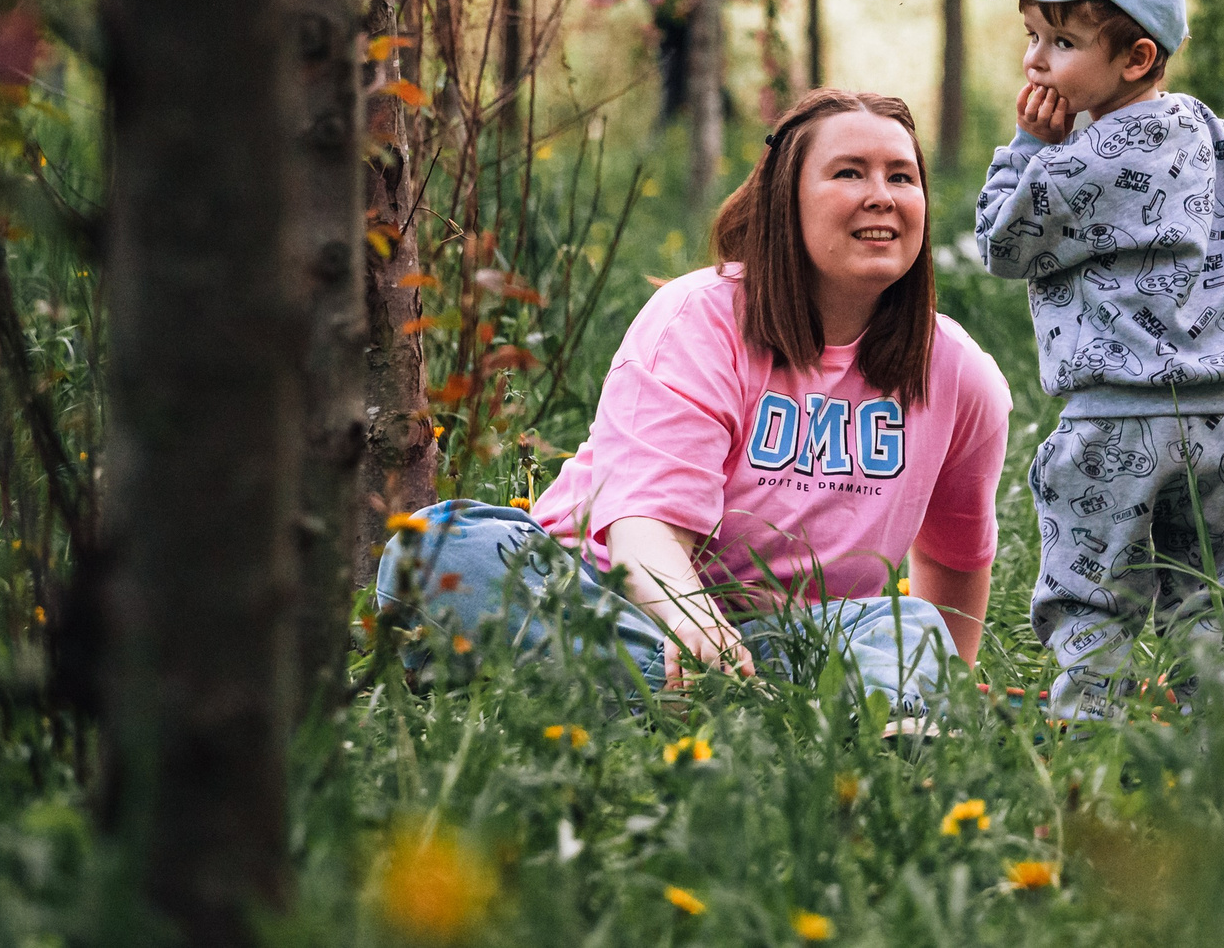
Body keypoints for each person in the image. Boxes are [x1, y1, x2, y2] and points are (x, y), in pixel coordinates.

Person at [377, 90, 1012, 716]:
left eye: (902, 176)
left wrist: (945, 682)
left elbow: (956, 559)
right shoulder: (700, 320)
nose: (883, 194)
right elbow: (644, 534)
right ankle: (760, 708)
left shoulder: (955, 372)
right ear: (784, 202)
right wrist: (696, 630)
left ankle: (738, 705)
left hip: (790, 638)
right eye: (850, 172)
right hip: (611, 603)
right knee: (435, 551)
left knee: (904, 628)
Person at [971, 0, 1224, 718]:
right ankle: (1223, 744)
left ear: (1135, 58)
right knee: (1209, 591)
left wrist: (1026, 147)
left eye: (1060, 40)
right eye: (1031, 35)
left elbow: (1002, 243)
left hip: (1112, 426)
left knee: (1093, 590)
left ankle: (1087, 736)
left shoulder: (1075, 161)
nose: (1034, 61)